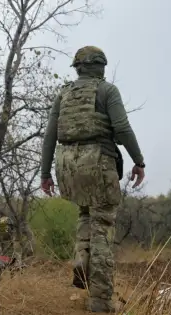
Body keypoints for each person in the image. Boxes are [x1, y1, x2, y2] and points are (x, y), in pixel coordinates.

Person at [39, 46, 145, 313]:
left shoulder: (64, 93)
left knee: (85, 216)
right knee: (103, 227)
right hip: (98, 161)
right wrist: (139, 161)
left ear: (78, 68)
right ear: (100, 67)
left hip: (67, 165)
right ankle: (100, 301)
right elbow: (121, 127)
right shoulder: (107, 91)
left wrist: (45, 174)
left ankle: (81, 258)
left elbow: (50, 135)